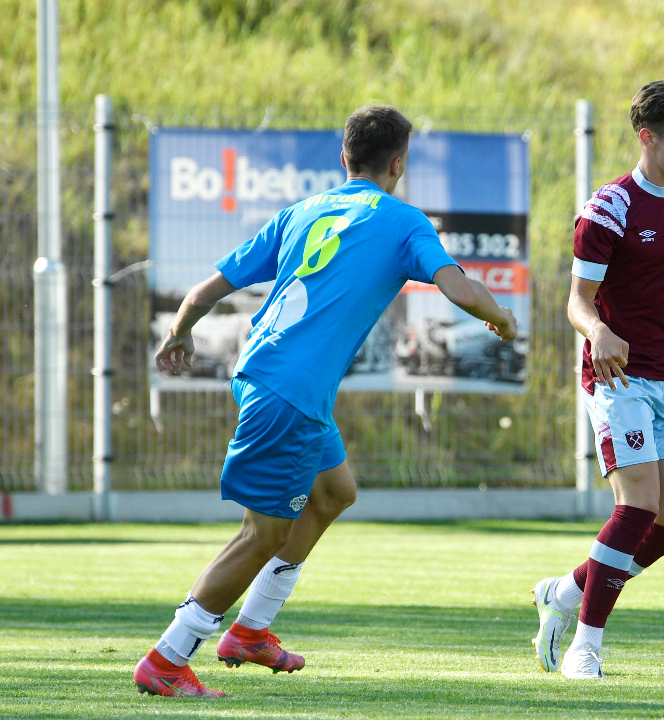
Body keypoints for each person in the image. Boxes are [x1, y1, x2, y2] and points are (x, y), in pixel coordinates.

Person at [133, 105, 518, 697]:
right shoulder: (403, 221)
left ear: (344, 160)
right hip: (289, 391)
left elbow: (209, 286)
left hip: (275, 380)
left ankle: (251, 631)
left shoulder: (302, 212)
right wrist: (501, 318)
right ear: (398, 164)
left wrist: (179, 331)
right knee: (260, 533)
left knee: (335, 492)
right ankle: (168, 657)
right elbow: (453, 283)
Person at [530, 81, 664, 679]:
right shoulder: (608, 209)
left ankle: (563, 594)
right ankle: (587, 644)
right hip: (617, 375)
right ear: (649, 137)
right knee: (636, 507)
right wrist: (599, 333)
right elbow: (576, 302)